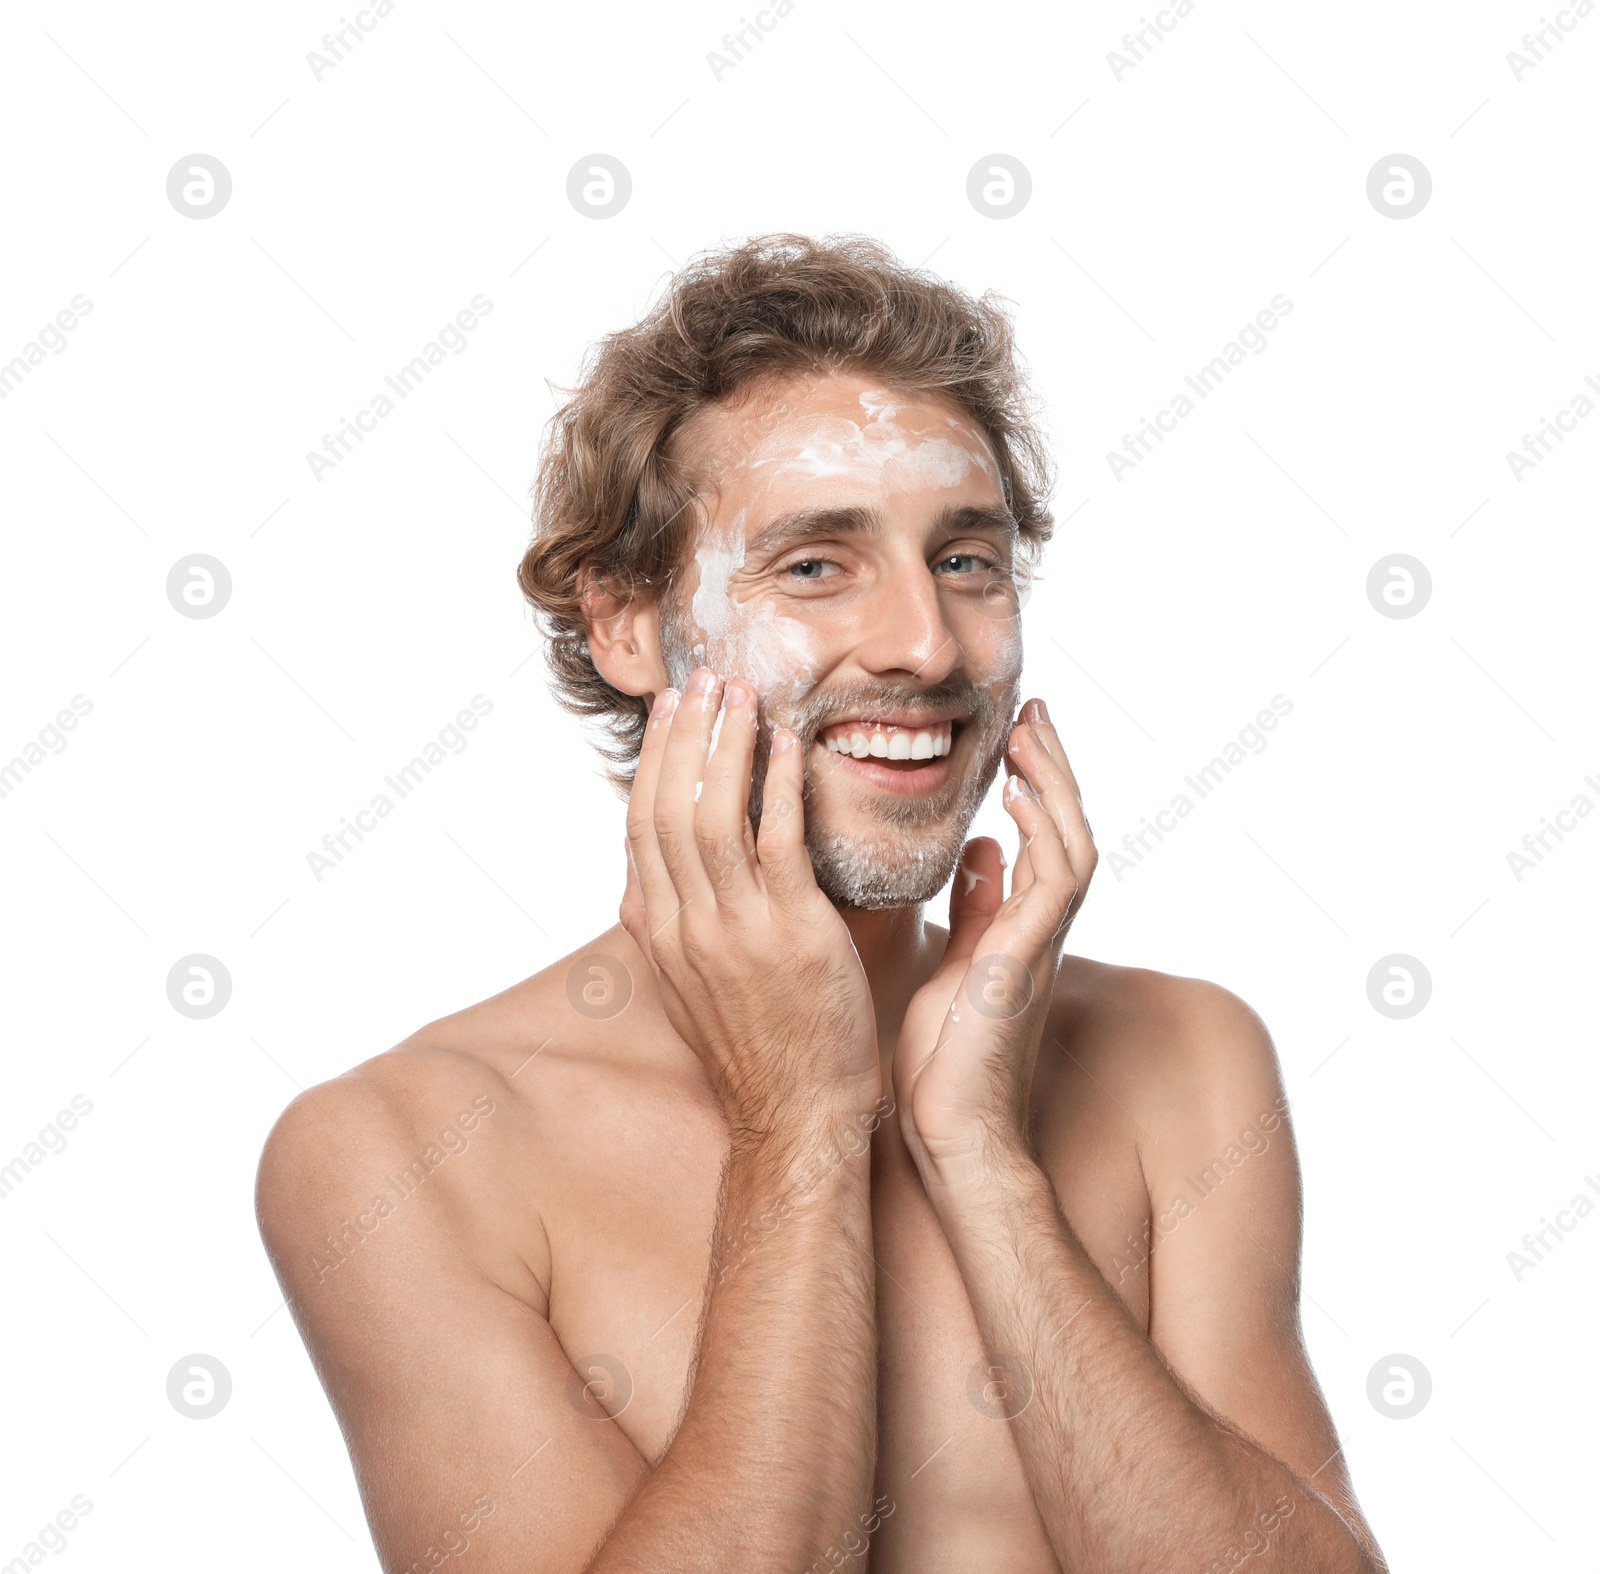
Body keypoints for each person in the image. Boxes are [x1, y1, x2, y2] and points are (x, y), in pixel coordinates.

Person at [256, 234, 1387, 1573]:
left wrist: (983, 1158)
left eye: (967, 560)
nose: (924, 643)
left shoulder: (1184, 1060)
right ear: (626, 623)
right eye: (813, 566)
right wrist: (795, 1123)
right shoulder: (397, 1153)